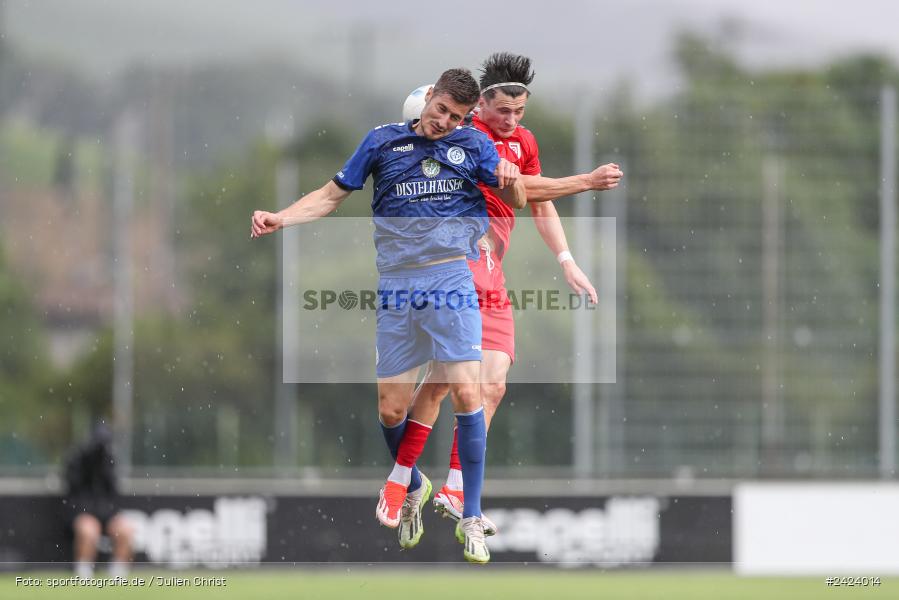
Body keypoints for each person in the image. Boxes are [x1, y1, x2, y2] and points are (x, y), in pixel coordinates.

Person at [251, 67, 526, 564]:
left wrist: (514, 182)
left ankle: (471, 514)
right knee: (391, 410)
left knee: (470, 391)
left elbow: (517, 199)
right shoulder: (382, 142)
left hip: (451, 280)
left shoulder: (475, 148)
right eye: (441, 110)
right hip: (398, 287)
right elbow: (331, 195)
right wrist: (282, 217)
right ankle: (414, 482)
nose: (445, 122)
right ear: (428, 99)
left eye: (457, 116)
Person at [391, 52, 624, 549]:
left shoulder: (524, 140)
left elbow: (537, 201)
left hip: (491, 267)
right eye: (504, 112)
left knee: (490, 386)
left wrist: (565, 259)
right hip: (455, 262)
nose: (512, 120)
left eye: (520, 112)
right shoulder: (466, 139)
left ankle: (451, 490)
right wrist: (585, 180)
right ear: (481, 105)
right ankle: (407, 479)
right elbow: (524, 185)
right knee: (447, 384)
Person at [62, 422, 134, 579]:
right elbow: (72, 487)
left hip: (106, 513)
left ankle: (118, 573)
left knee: (126, 530)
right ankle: (84, 572)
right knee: (89, 530)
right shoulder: (78, 459)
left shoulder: (109, 461)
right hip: (81, 512)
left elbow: (113, 491)